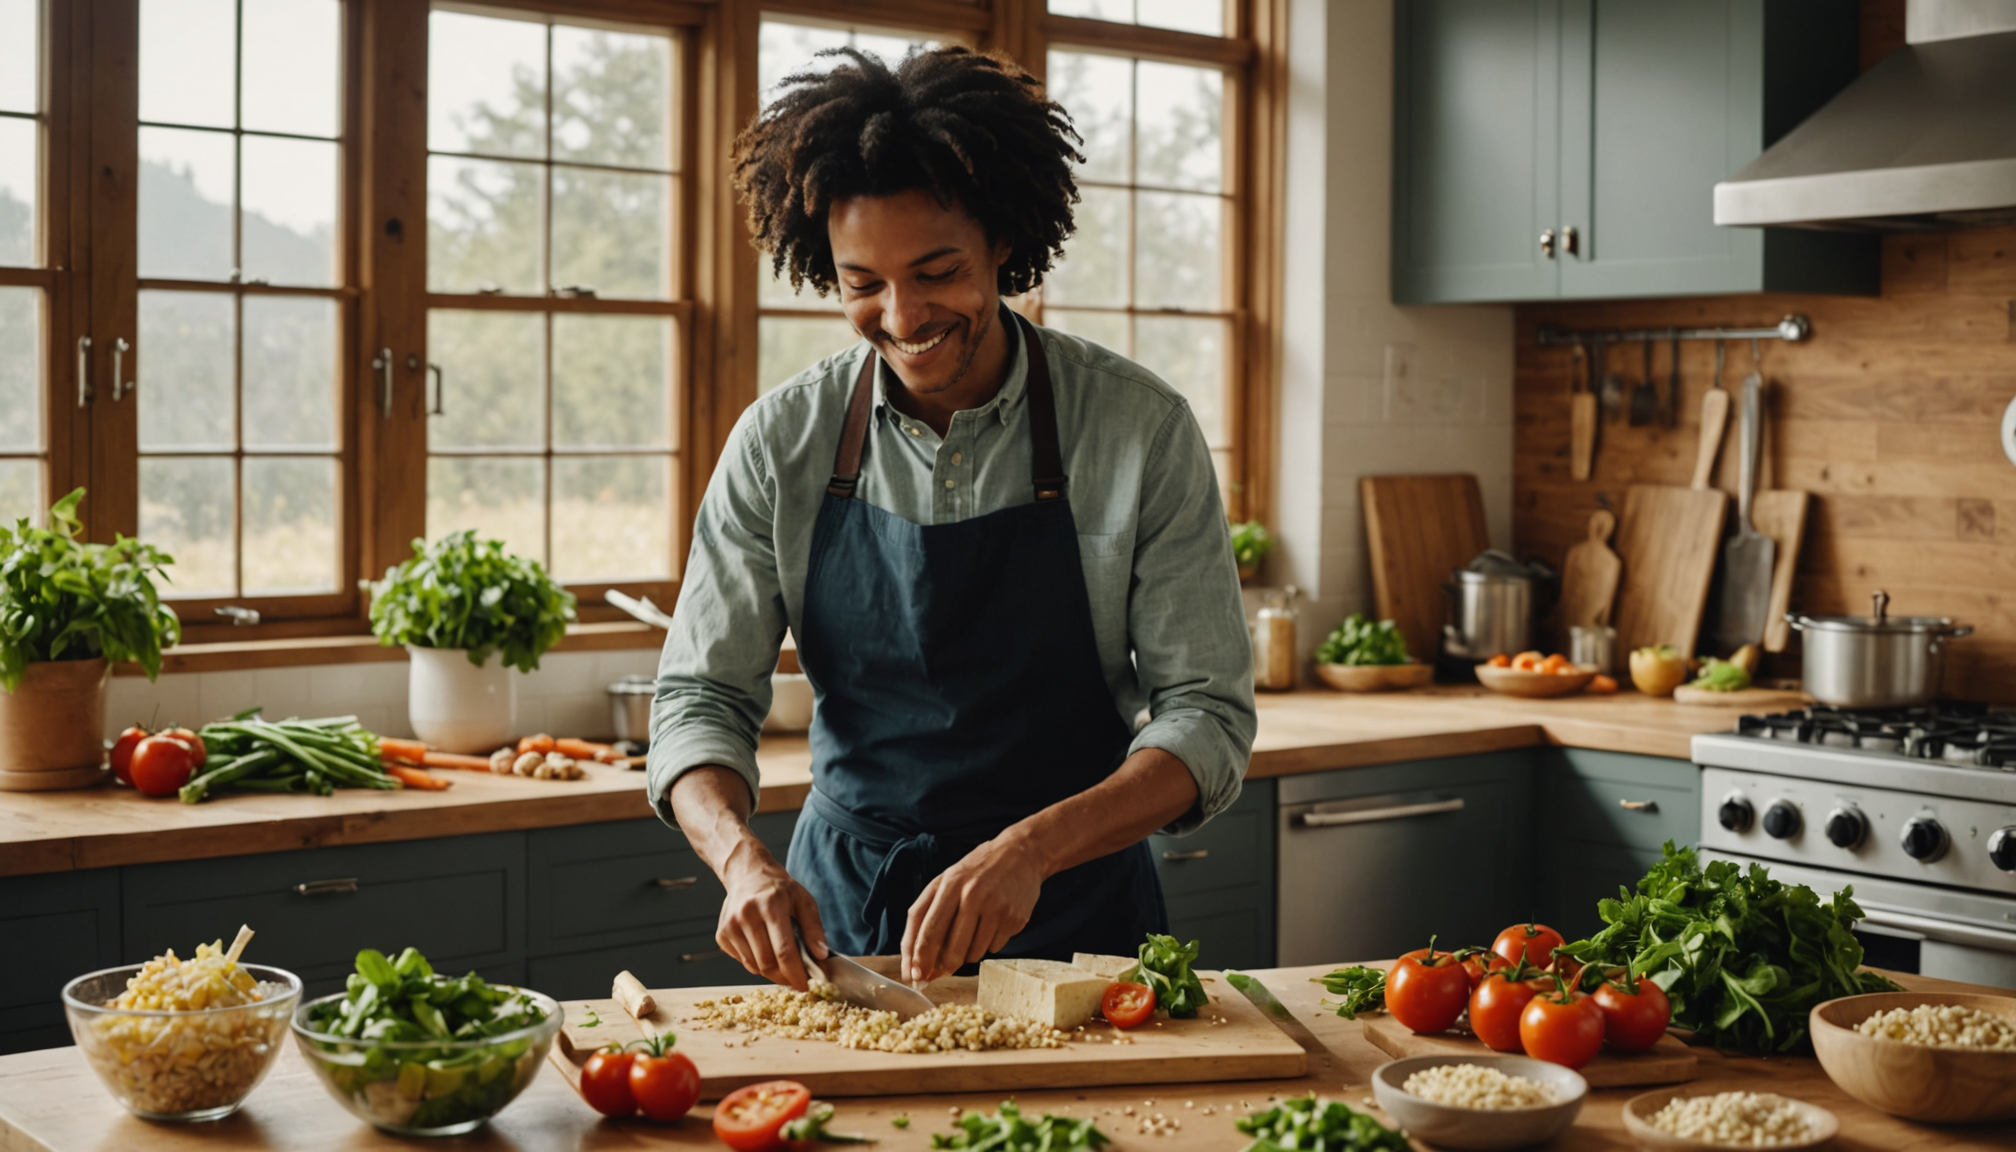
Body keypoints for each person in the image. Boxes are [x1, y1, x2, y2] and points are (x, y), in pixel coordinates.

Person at [648, 44, 1254, 990]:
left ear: (1004, 242)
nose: (902, 315)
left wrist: (1031, 849)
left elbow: (1206, 717)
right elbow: (698, 700)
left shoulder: (1139, 429)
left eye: (937, 271)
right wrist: (740, 862)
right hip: (847, 922)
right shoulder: (780, 442)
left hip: (1079, 916)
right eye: (864, 284)